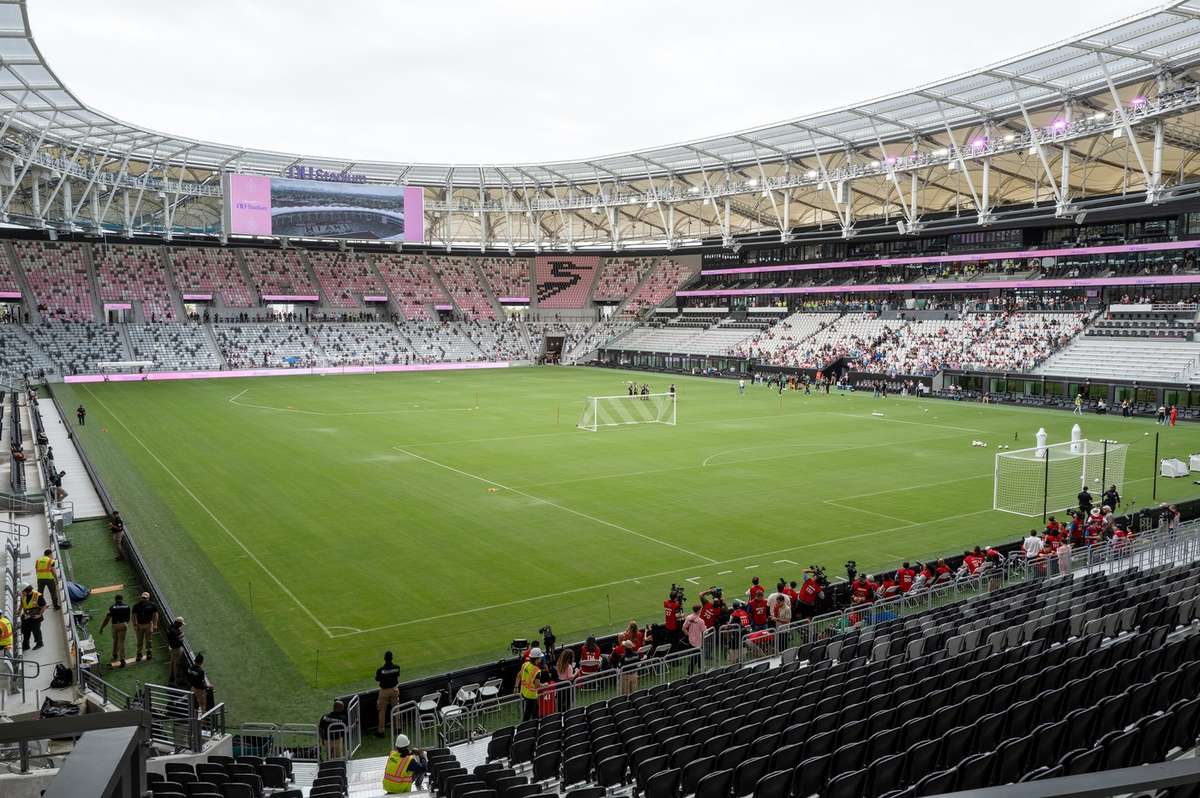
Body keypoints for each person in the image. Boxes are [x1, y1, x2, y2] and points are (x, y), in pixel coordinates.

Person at [99, 594, 132, 667]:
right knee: (121, 642)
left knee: (115, 640)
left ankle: (115, 654)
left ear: (115, 599)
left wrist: (102, 627)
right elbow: (128, 618)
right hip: (124, 624)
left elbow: (107, 619)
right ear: (122, 599)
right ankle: (122, 659)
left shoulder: (112, 607)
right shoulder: (127, 607)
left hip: (115, 625)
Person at [375, 651, 402, 737]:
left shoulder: (381, 670)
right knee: (396, 710)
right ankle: (397, 728)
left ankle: (381, 731)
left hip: (384, 691)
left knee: (382, 711)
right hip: (394, 690)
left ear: (384, 658)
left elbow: (377, 679)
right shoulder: (397, 667)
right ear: (392, 658)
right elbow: (397, 675)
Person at [131, 592, 158, 662]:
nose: (143, 599)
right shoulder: (136, 606)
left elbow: (155, 615)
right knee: (139, 640)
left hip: (149, 624)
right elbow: (133, 616)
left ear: (148, 598)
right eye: (143, 598)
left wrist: (155, 624)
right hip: (139, 625)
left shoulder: (152, 605)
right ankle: (139, 654)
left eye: (145, 598)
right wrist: (135, 625)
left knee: (149, 640)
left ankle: (149, 652)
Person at [518, 646, 542, 721]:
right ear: (536, 659)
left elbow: (519, 675)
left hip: (523, 692)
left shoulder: (525, 664)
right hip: (531, 696)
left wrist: (516, 687)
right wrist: (544, 685)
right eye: (540, 658)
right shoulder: (537, 671)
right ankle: (528, 729)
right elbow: (537, 685)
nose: (541, 659)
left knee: (534, 711)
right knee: (528, 715)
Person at [19, 584, 45, 651]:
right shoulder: (23, 595)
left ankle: (39, 643)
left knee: (36, 630)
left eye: (22, 591)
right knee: (25, 631)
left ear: (26, 590)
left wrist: (39, 615)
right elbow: (22, 603)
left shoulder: (37, 595)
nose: (21, 592)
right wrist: (19, 611)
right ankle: (26, 645)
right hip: (26, 616)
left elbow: (44, 606)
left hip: (35, 617)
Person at [166, 617, 187, 686]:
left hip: (171, 648)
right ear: (179, 623)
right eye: (181, 624)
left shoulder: (170, 627)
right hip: (176, 649)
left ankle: (170, 678)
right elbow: (180, 639)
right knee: (176, 665)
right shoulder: (176, 632)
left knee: (172, 663)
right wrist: (182, 634)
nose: (181, 626)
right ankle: (176, 681)